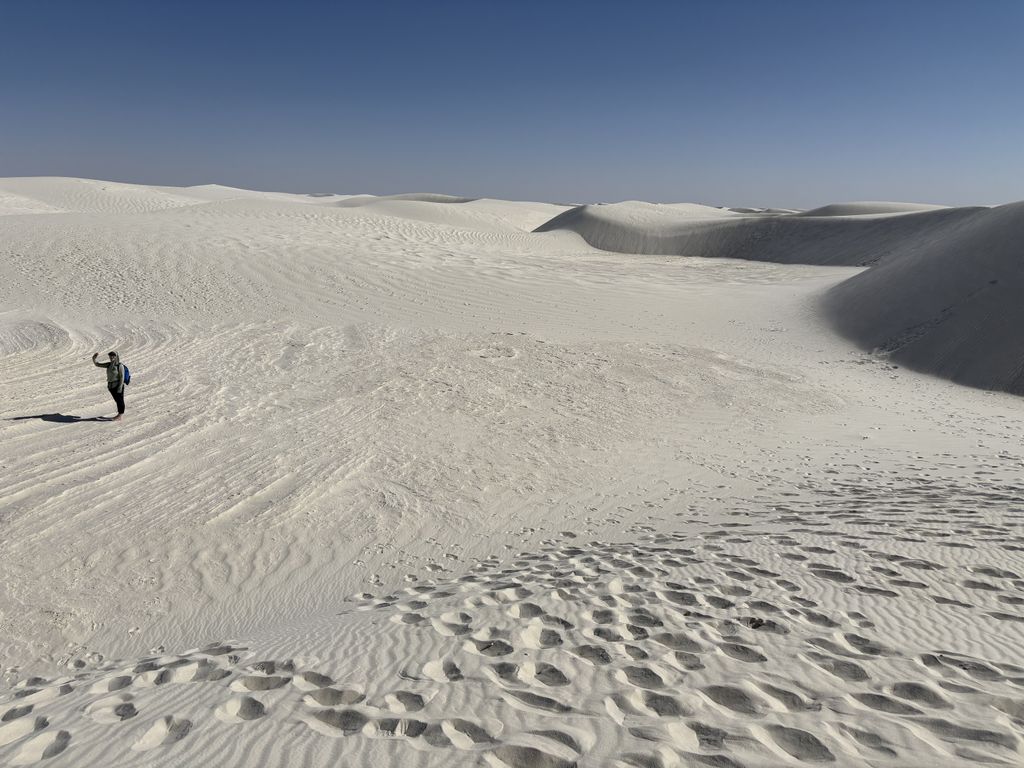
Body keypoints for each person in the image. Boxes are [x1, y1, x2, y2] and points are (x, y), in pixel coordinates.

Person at [93, 350, 126, 420]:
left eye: (113, 355)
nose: (111, 357)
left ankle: (120, 415)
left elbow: (122, 377)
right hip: (111, 386)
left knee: (120, 400)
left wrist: (120, 387)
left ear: (116, 356)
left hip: (117, 386)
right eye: (110, 356)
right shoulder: (109, 364)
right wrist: (94, 358)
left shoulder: (120, 365)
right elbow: (97, 364)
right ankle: (119, 414)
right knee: (117, 400)